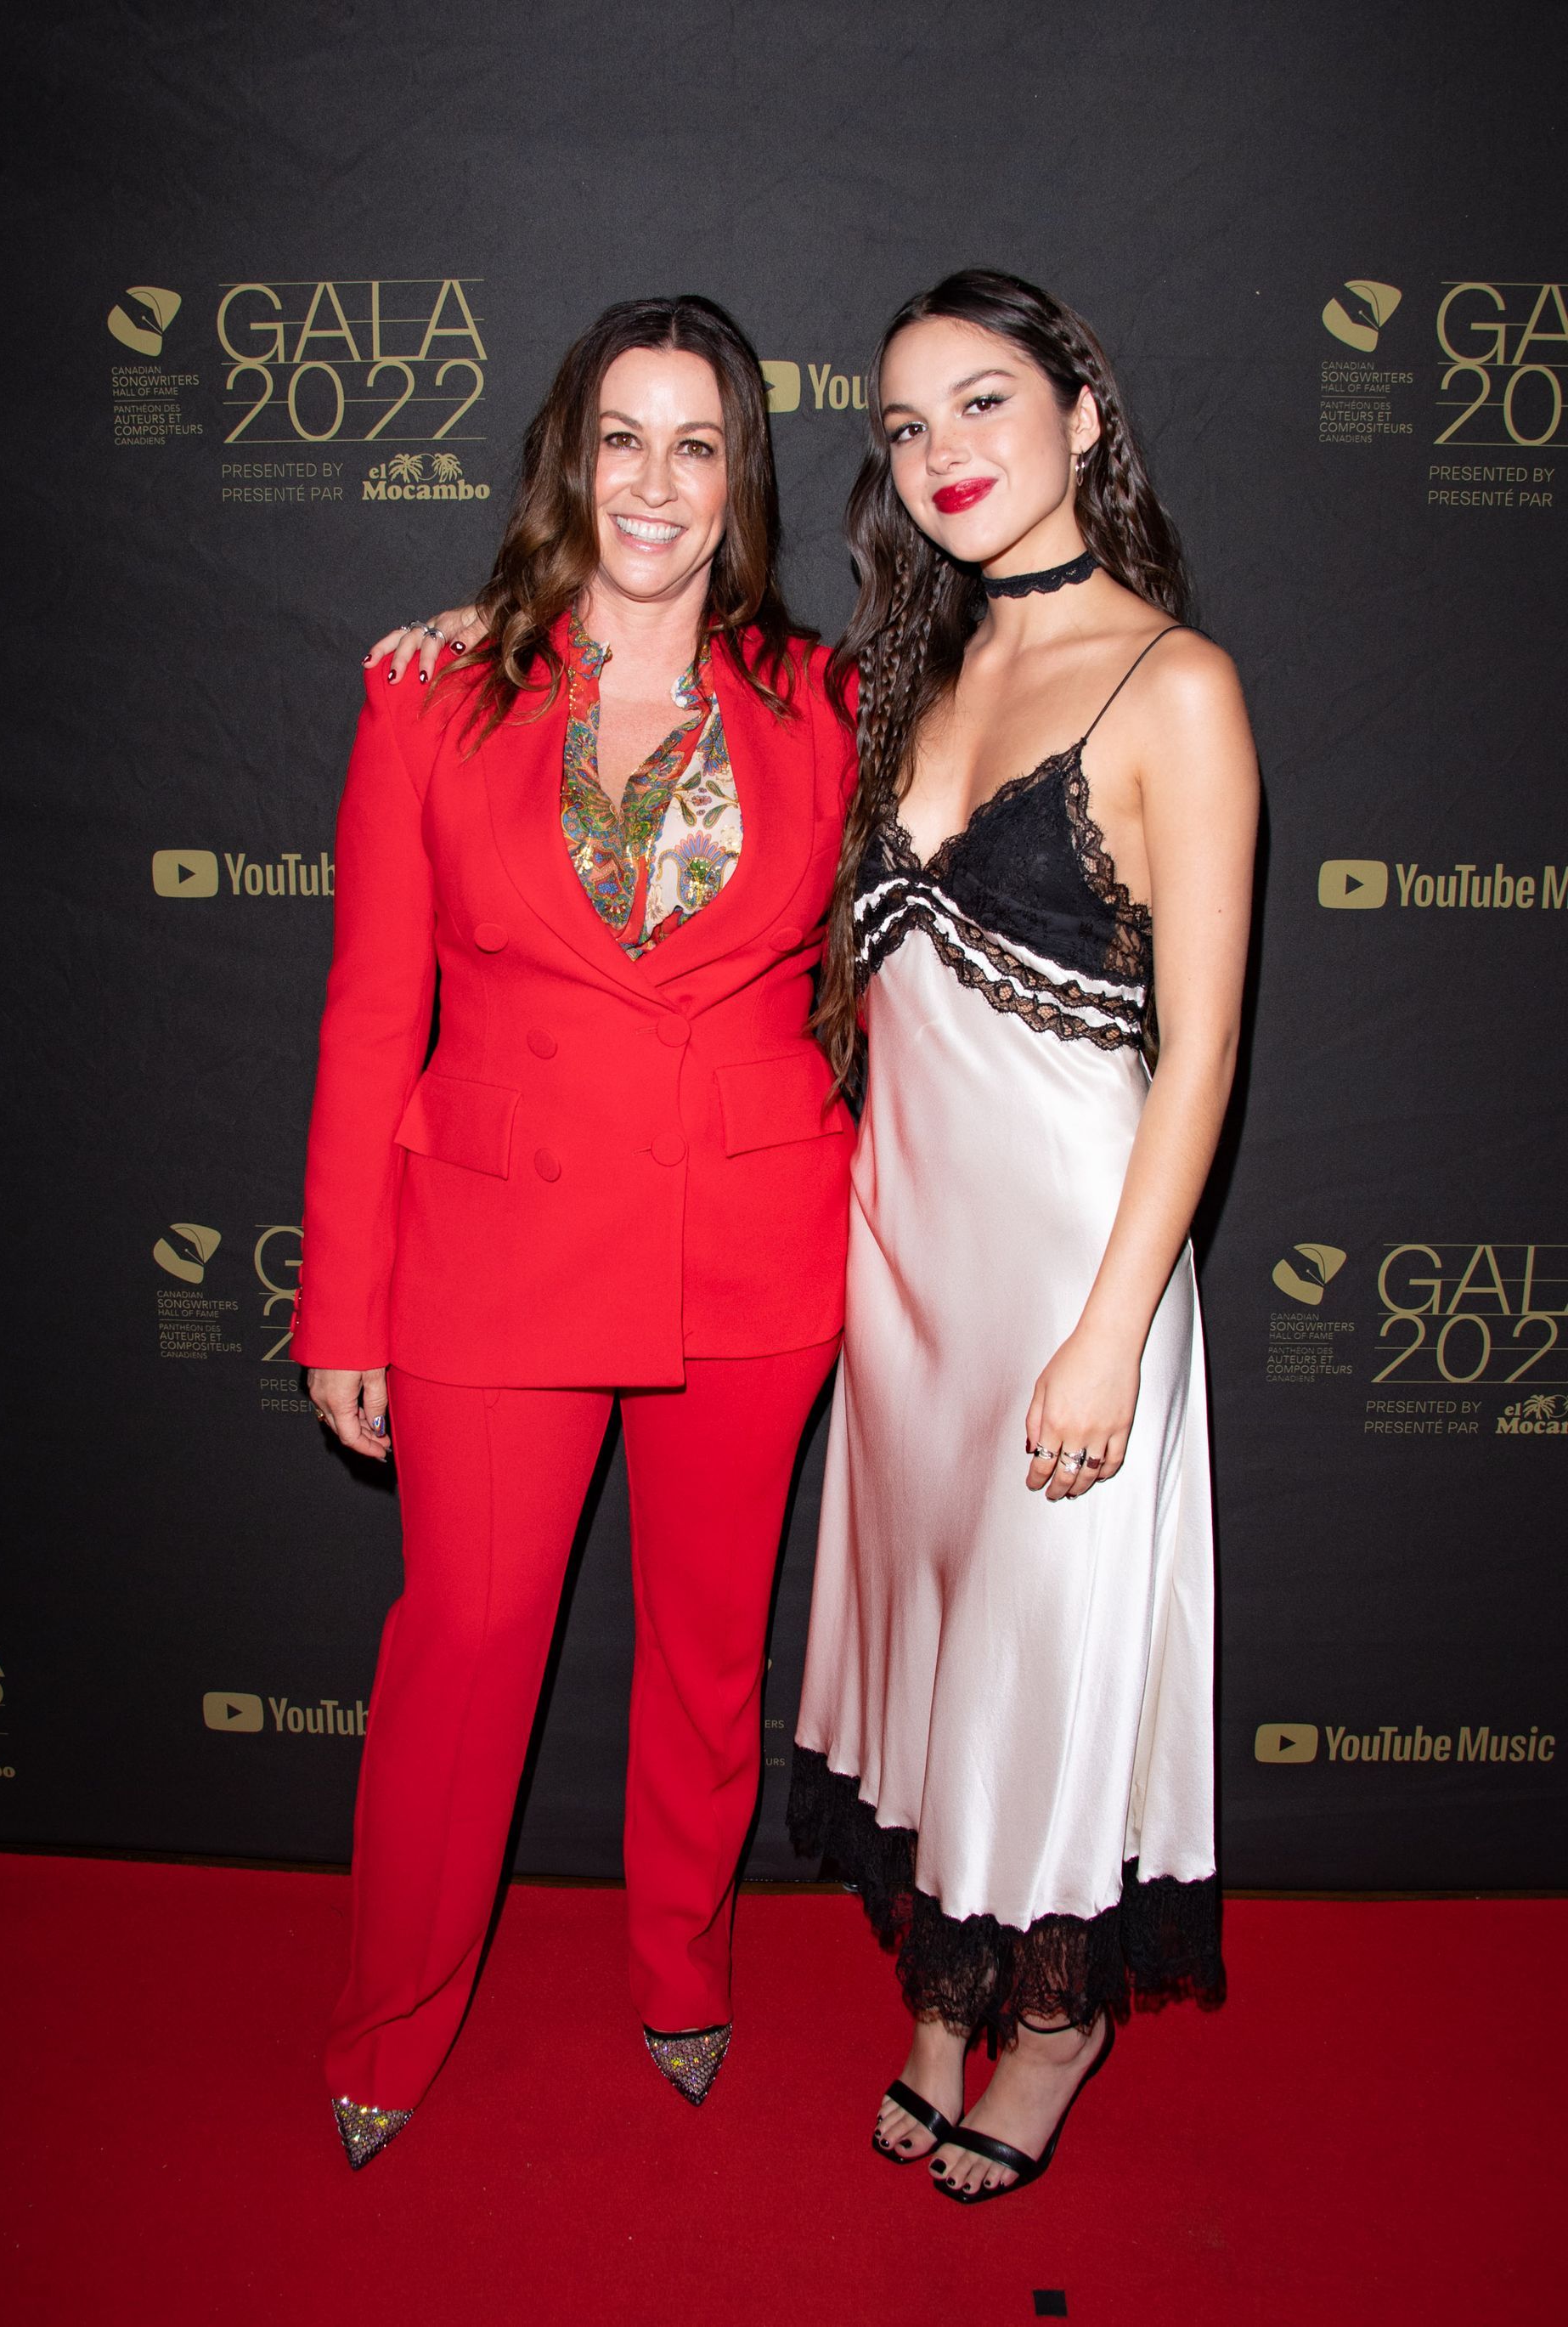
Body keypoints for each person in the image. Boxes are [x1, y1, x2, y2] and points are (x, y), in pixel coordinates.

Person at [294, 295, 855, 2169]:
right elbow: (374, 1009)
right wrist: (342, 1307)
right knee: (461, 1641)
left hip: (750, 1251)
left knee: (708, 1652)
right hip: (491, 1250)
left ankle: (681, 1970)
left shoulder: (830, 702)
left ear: (739, 479)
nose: (655, 482)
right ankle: (390, 2009)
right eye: (622, 436)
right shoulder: (430, 691)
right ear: (567, 454)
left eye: (697, 445)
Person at [787, 270, 1257, 2204]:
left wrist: (1106, 1330)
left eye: (983, 403)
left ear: (1081, 412)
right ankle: (936, 1977)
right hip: (903, 1281)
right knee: (927, 1657)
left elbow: (1206, 1044)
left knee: (1040, 1664)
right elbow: (663, 668)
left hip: (1077, 1273)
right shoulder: (912, 666)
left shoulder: (1180, 685)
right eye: (905, 427)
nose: (945, 455)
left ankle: (1046, 2017)